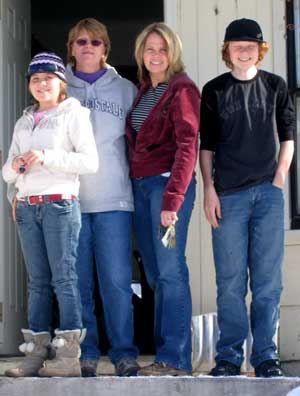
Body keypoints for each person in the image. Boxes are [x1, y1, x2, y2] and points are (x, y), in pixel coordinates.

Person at [199, 18, 295, 377]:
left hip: (267, 195)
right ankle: (228, 357)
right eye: (237, 45)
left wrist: (279, 178)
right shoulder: (214, 90)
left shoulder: (275, 86)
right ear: (227, 50)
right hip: (228, 196)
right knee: (230, 282)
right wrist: (208, 188)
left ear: (260, 49)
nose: (244, 50)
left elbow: (288, 135)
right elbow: (205, 146)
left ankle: (266, 357)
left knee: (268, 281)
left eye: (251, 45)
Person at [2, 52, 98, 377]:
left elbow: (89, 163)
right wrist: (14, 169)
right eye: (35, 79)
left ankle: (68, 357)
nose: (42, 84)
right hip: (29, 208)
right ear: (29, 84)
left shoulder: (74, 115)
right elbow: (8, 173)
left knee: (64, 279)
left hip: (60, 205)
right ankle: (35, 354)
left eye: (48, 78)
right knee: (37, 283)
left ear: (61, 83)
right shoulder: (23, 121)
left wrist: (46, 156)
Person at [65, 18, 139, 377]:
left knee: (116, 282)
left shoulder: (125, 89)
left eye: (95, 41)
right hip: (70, 201)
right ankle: (87, 352)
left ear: (105, 48)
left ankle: (124, 351)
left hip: (115, 201)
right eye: (81, 41)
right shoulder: (57, 87)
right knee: (78, 283)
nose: (88, 46)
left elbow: (140, 142)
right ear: (72, 48)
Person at [126, 22, 200, 376]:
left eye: (162, 49)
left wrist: (173, 199)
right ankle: (163, 356)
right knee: (155, 274)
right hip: (142, 187)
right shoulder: (144, 90)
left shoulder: (182, 89)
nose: (155, 55)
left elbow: (188, 146)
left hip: (166, 187)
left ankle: (174, 358)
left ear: (173, 53)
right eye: (149, 49)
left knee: (171, 272)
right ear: (141, 53)